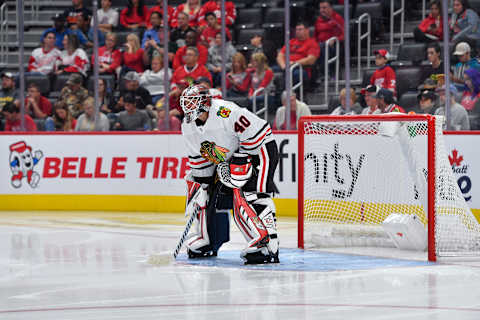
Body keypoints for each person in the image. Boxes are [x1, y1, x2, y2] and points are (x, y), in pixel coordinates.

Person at [180, 84, 279, 264]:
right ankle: (208, 240)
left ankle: (267, 244)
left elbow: (257, 139)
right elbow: (201, 164)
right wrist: (202, 187)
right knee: (199, 188)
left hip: (259, 150)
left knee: (250, 191)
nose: (189, 107)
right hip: (228, 158)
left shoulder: (226, 112)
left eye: (193, 102)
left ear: (205, 103)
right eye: (187, 103)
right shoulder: (188, 127)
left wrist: (240, 168)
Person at [314, 0, 344, 78]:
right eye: (320, 8)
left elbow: (345, 35)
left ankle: (326, 74)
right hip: (321, 45)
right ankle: (319, 75)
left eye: (324, 8)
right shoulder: (318, 20)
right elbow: (315, 36)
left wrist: (335, 39)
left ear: (330, 8)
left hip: (335, 46)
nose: (321, 10)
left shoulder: (337, 18)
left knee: (323, 48)